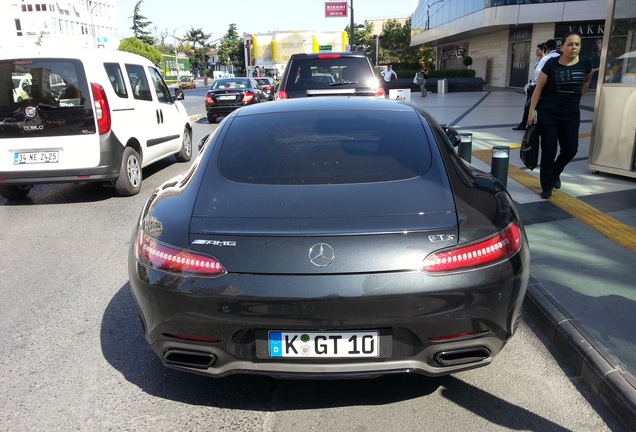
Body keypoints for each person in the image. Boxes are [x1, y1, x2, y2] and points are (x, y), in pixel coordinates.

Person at [527, 32, 593, 199]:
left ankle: (555, 172)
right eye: (570, 44)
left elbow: (586, 80)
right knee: (549, 150)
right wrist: (531, 111)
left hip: (571, 114)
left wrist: (577, 96)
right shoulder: (552, 63)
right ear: (562, 47)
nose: (574, 47)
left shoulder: (585, 62)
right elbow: (539, 89)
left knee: (571, 149)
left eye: (577, 44)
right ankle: (547, 187)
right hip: (549, 113)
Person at [512, 43, 547, 130]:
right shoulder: (538, 60)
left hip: (538, 87)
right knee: (527, 106)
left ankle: (531, 125)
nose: (536, 52)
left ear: (543, 50)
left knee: (531, 106)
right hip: (533, 85)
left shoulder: (545, 61)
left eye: (538, 50)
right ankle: (524, 124)